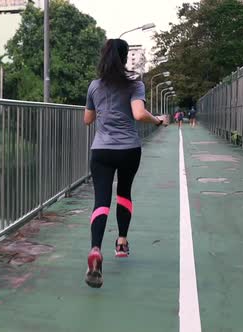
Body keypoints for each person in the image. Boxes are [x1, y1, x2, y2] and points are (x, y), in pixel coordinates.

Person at [83, 39, 169, 288]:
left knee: (101, 200)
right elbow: (139, 114)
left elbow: (87, 120)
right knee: (124, 193)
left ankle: (96, 249)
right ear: (123, 59)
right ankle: (121, 242)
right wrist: (159, 121)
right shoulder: (135, 85)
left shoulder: (94, 86)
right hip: (128, 149)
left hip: (101, 150)